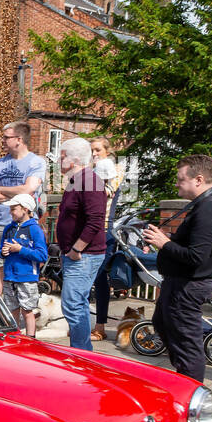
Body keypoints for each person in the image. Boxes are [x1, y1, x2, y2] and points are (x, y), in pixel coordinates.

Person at [142, 154, 212, 383]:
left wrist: (164, 243)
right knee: (163, 324)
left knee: (187, 346)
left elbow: (196, 256)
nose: (176, 183)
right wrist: (166, 242)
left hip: (188, 285)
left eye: (180, 179)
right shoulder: (211, 206)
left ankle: (191, 395)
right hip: (182, 283)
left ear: (199, 179)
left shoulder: (210, 210)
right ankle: (184, 383)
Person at [55, 137, 108, 351]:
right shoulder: (76, 181)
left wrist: (77, 248)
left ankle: (82, 354)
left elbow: (96, 219)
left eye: (61, 157)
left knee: (73, 305)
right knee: (76, 304)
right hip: (77, 254)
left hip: (84, 255)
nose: (58, 162)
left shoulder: (90, 181)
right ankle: (82, 351)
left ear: (74, 160)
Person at [0, 121, 46, 291]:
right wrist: (17, 197)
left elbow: (29, 189)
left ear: (18, 139)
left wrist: (0, 188)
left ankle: (18, 312)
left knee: (22, 270)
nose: (2, 140)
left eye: (6, 137)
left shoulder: (36, 162)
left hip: (23, 225)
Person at [90, 138, 125, 341]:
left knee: (99, 276)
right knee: (85, 278)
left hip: (104, 229)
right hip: (88, 229)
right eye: (91, 150)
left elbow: (104, 193)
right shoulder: (91, 172)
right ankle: (84, 322)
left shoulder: (115, 170)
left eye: (98, 150)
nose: (94, 154)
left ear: (107, 151)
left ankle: (100, 326)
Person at [0, 192, 48, 337]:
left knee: (27, 311)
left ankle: (30, 338)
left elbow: (42, 255)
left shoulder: (34, 229)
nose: (11, 212)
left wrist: (20, 249)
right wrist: (3, 252)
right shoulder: (8, 229)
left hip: (26, 277)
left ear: (25, 209)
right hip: (9, 276)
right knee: (11, 310)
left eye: (14, 208)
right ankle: (13, 337)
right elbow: (1, 251)